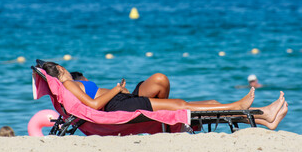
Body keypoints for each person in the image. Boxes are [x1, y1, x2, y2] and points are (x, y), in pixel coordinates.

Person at [38, 62, 288, 130]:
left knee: (184, 99)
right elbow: (93, 104)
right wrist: (116, 88)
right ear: (60, 70)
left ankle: (265, 117)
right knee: (180, 105)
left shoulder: (69, 87)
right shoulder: (69, 85)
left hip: (120, 101)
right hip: (118, 104)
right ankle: (241, 107)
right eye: (62, 67)